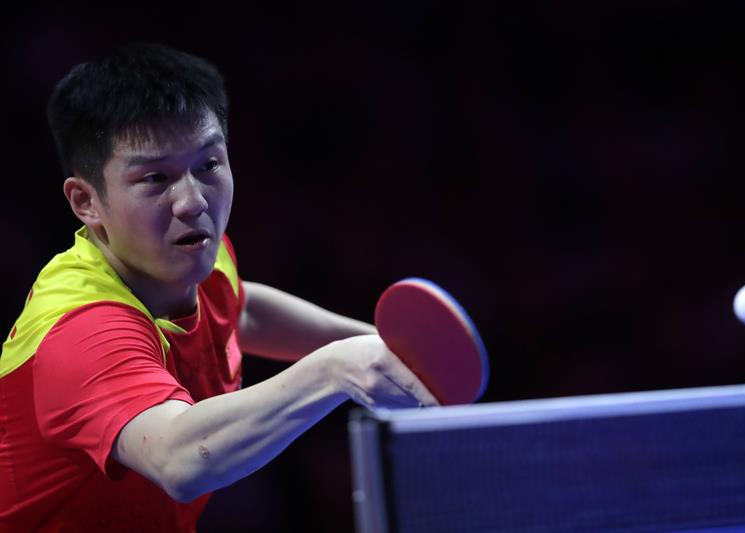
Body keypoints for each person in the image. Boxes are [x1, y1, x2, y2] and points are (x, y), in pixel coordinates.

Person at [0, 42, 437, 532]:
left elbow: (237, 311)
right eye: (155, 178)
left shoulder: (188, 254)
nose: (191, 201)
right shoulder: (80, 331)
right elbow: (180, 460)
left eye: (208, 165)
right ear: (86, 202)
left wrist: (367, 343)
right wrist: (335, 370)